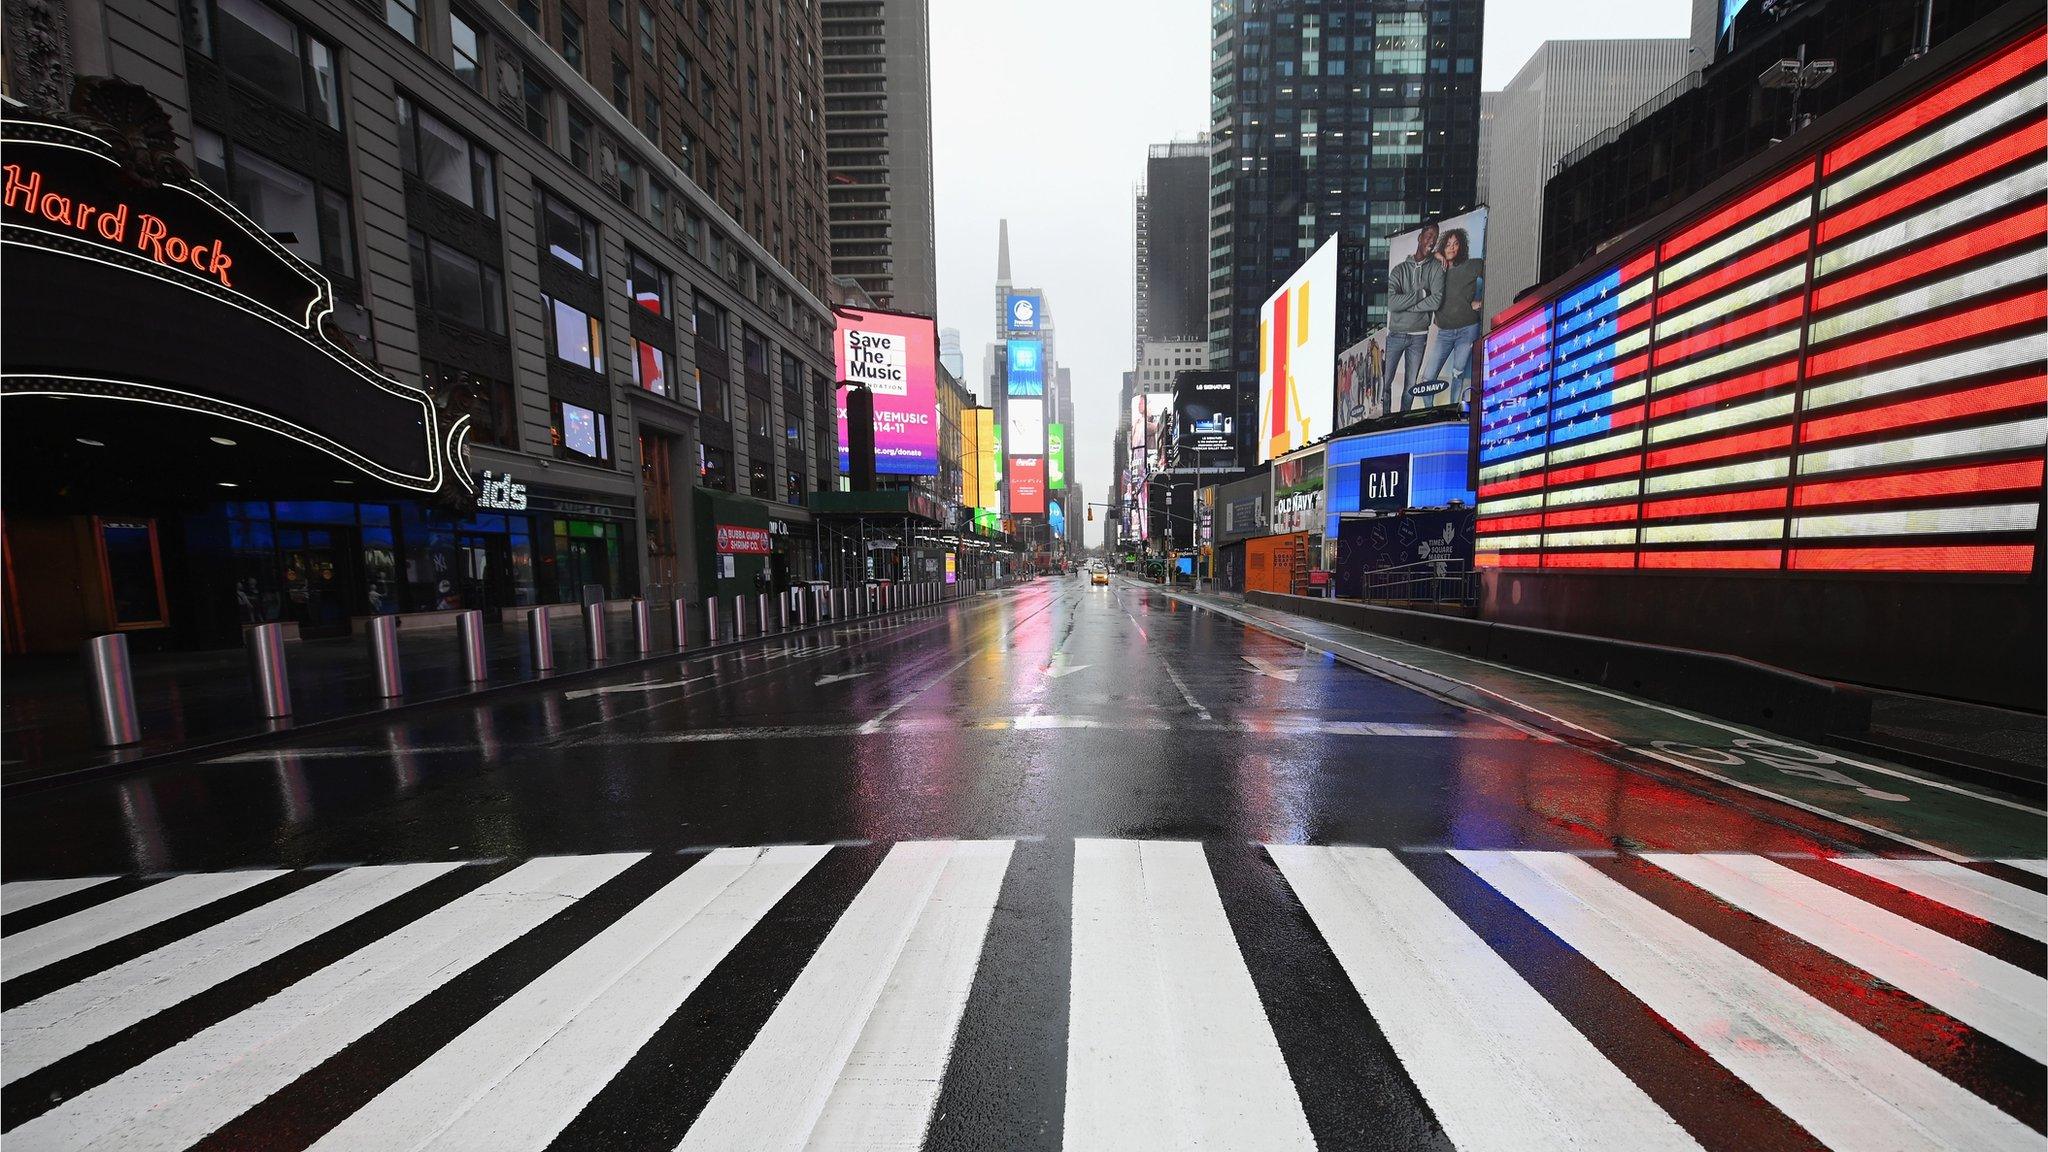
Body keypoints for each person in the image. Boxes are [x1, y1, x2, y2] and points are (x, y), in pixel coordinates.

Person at [1383, 222, 1444, 414]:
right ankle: (1384, 420)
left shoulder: (1436, 268)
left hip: (1419, 336)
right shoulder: (1399, 270)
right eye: (1428, 236)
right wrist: (1420, 295)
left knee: (1411, 385)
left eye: (1435, 238)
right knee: (1386, 381)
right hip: (1395, 335)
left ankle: (1403, 420)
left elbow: (1436, 301)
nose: (1431, 241)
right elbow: (1392, 304)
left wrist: (1408, 306)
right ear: (1420, 237)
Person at [1420, 227, 1484, 407]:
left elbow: (1496, 273)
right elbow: (1419, 258)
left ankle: (1454, 408)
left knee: (1458, 372)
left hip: (1467, 329)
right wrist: (1435, 255)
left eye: (1456, 244)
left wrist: (1481, 301)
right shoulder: (1437, 268)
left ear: (1461, 246)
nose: (1452, 248)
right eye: (1448, 244)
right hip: (1444, 333)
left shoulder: (1472, 265)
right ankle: (1429, 413)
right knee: (1427, 378)